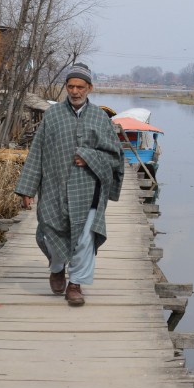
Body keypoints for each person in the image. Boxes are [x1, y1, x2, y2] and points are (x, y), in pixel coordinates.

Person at [14, 63, 124, 306]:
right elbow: (37, 152)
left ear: (90, 88)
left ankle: (75, 284)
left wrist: (89, 156)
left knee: (85, 238)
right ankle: (56, 268)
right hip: (54, 187)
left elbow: (116, 157)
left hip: (88, 191)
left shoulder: (100, 118)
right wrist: (27, 188)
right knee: (50, 233)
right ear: (66, 87)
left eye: (80, 87)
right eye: (71, 86)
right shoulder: (52, 115)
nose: (75, 91)